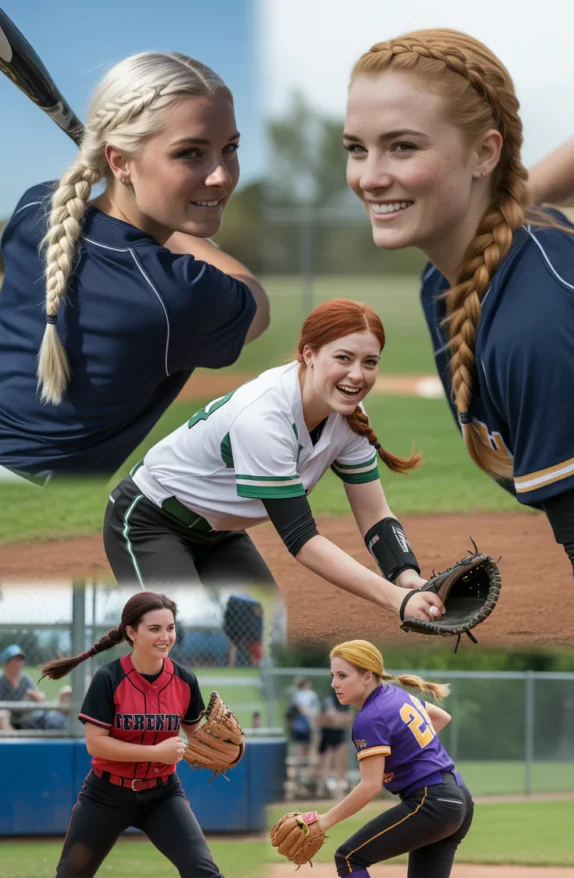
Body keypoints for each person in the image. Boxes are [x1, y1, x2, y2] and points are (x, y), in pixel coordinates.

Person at [344, 30, 574, 574]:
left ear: (485, 153)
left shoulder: (536, 326)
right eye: (356, 148)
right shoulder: (445, 282)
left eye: (403, 146)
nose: (369, 178)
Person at [0, 51, 269, 482]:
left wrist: (151, 208)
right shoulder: (176, 295)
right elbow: (256, 303)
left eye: (230, 148)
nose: (221, 176)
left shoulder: (35, 209)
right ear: (119, 161)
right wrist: (181, 230)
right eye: (190, 153)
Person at [103, 298, 446, 630]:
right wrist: (396, 600)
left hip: (219, 533)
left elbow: (374, 513)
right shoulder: (264, 418)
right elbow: (302, 540)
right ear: (308, 354)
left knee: (261, 626)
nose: (356, 375)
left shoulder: (349, 416)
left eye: (370, 362)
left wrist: (405, 575)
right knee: (174, 630)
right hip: (151, 521)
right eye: (343, 357)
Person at [4, 591, 263, 878]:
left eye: (170, 628)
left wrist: (229, 747)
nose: (165, 636)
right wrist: (156, 751)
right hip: (106, 794)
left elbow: (197, 735)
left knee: (205, 874)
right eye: (154, 628)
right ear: (131, 633)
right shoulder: (109, 679)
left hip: (163, 795)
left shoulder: (184, 680)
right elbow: (96, 742)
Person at [312, 639, 532, 878]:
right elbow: (440, 717)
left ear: (367, 676)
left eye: (343, 675)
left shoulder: (368, 718)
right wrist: (410, 751)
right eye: (333, 676)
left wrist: (323, 821)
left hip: (431, 801)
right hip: (458, 799)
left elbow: (369, 787)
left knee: (349, 857)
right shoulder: (397, 696)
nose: (334, 683)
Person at [0, 645, 67, 730]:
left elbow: (39, 698)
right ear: (6, 663)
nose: (20, 663)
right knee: (2, 717)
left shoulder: (25, 680)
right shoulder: (1, 681)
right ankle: (13, 737)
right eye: (16, 660)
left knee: (50, 717)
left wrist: (40, 698)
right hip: (5, 720)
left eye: (21, 660)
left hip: (24, 720)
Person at [317, 687, 354, 798]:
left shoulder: (344, 702)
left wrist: (337, 718)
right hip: (327, 736)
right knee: (327, 762)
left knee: (341, 762)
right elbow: (326, 718)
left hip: (339, 735)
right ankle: (322, 789)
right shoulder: (328, 701)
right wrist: (337, 719)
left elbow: (349, 717)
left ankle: (338, 788)